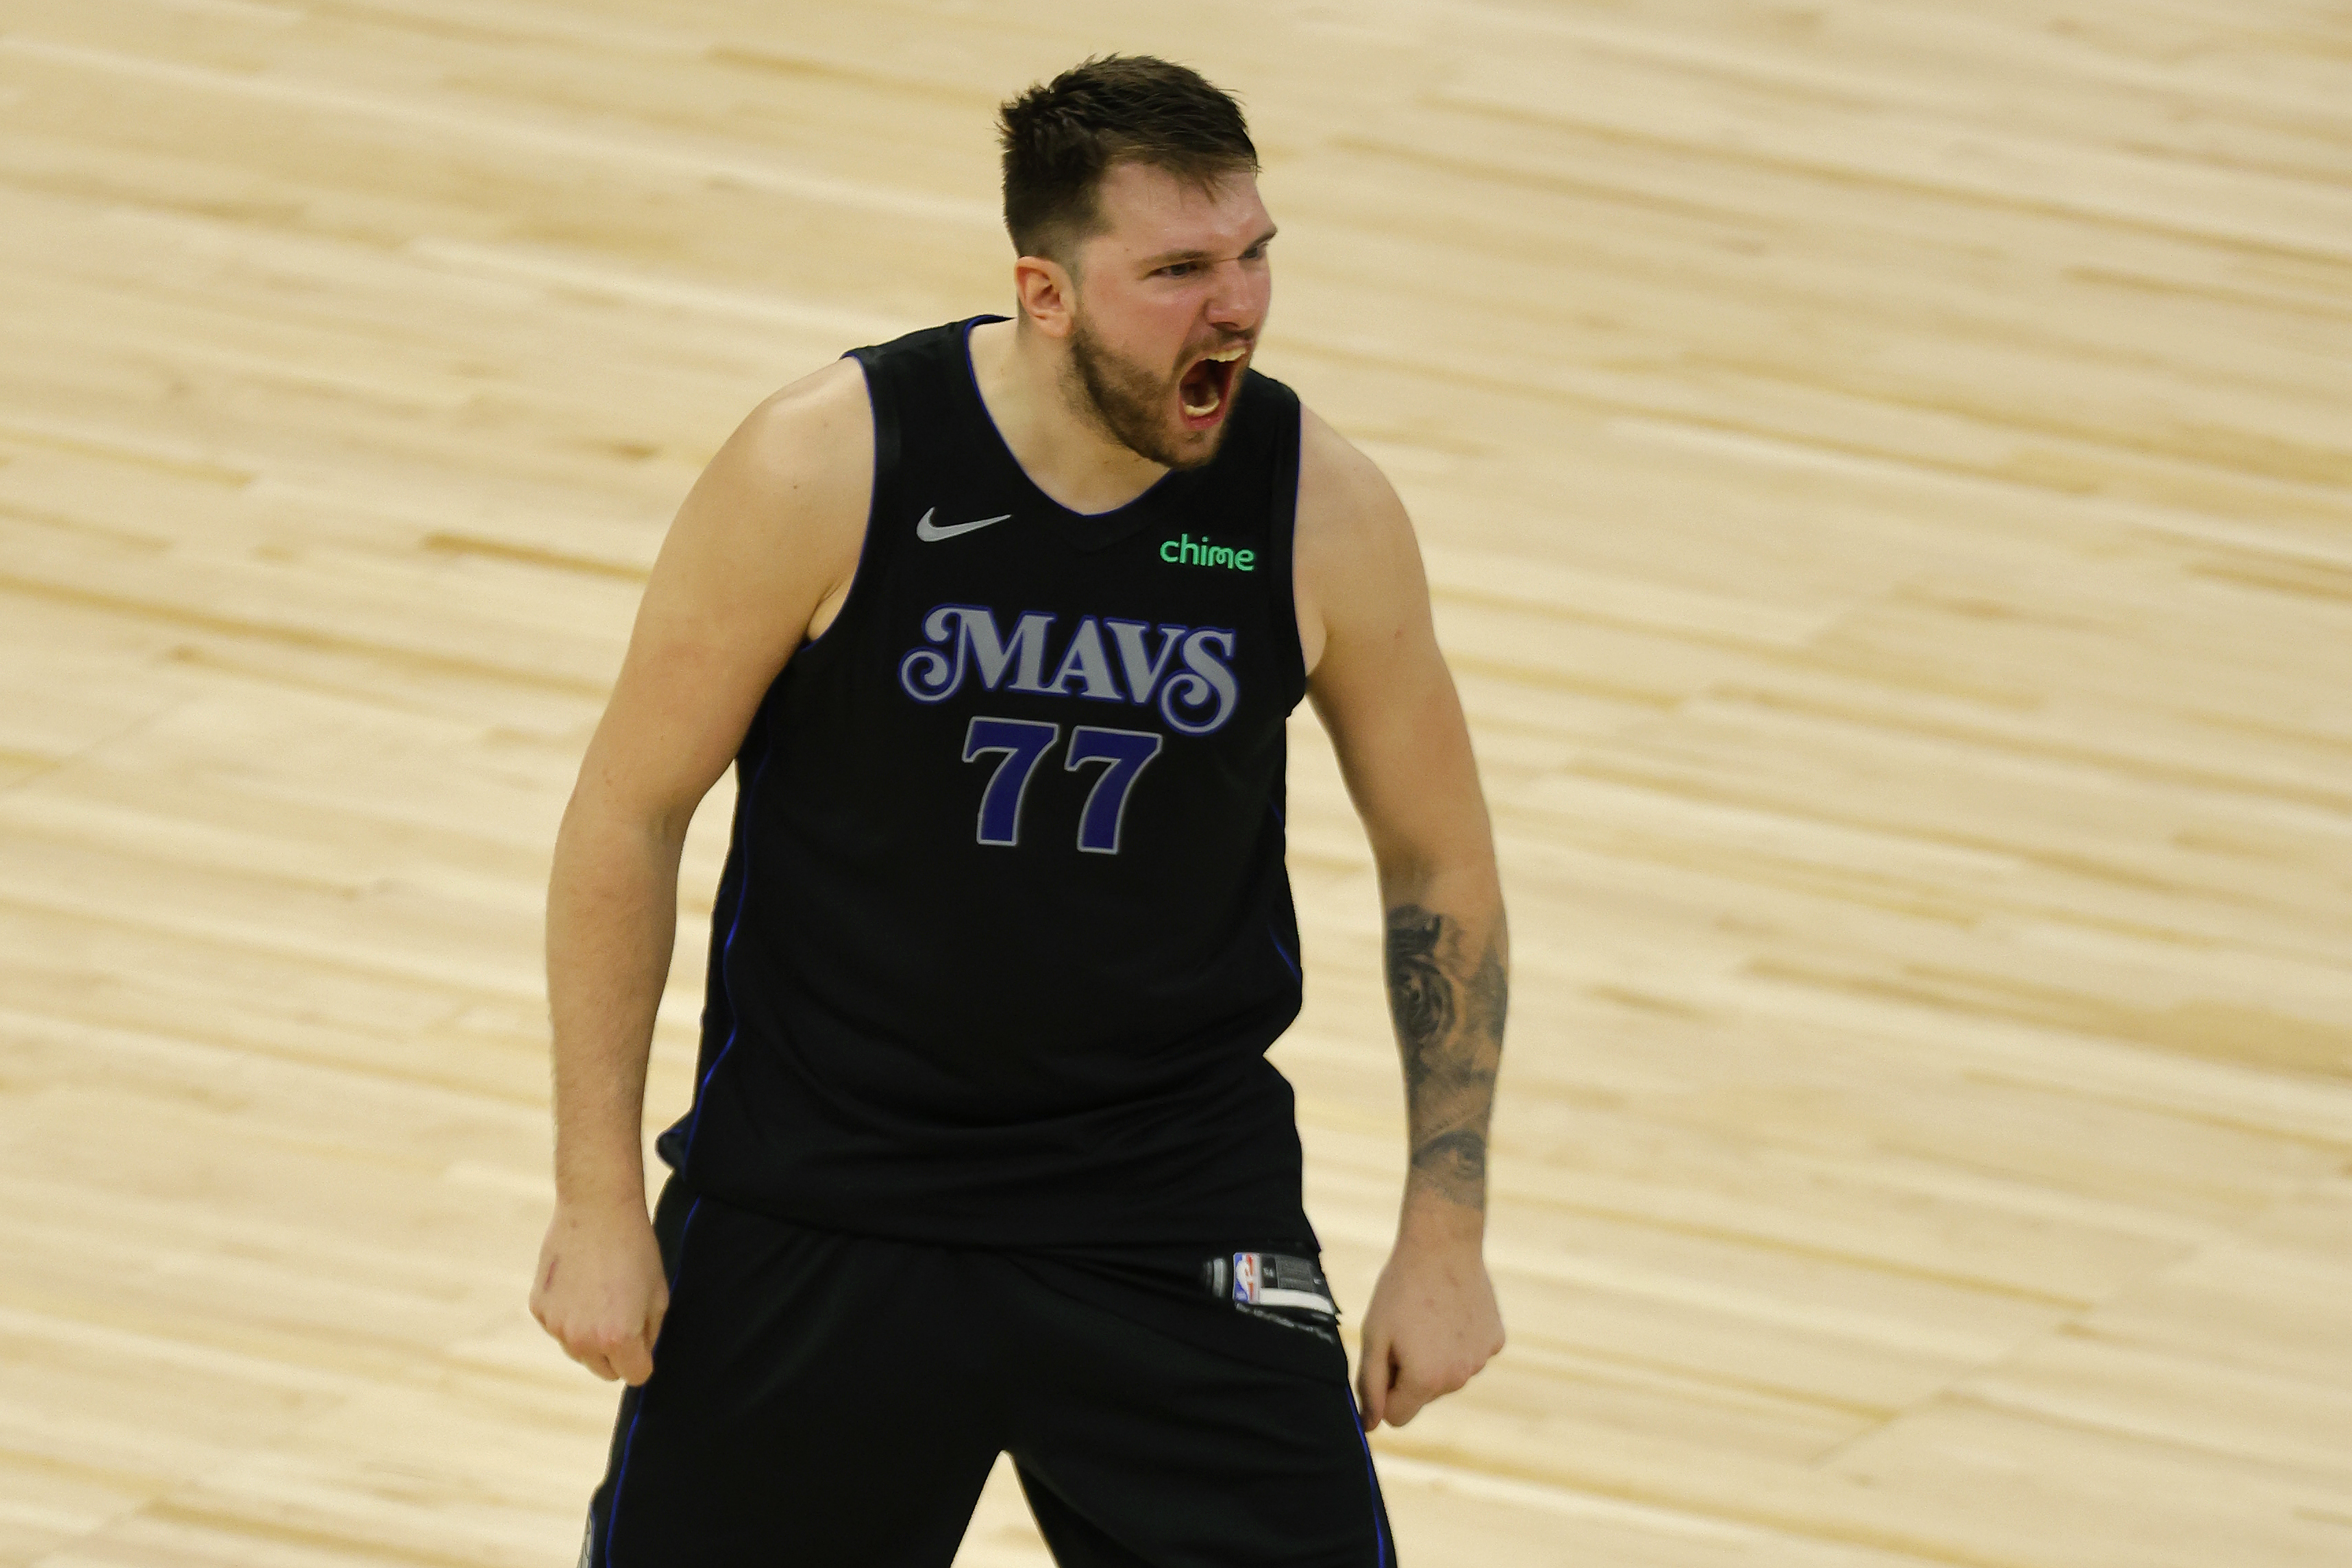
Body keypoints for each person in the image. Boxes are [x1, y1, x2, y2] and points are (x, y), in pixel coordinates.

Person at [528, 53, 1507, 1568]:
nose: (1234, 306)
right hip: (825, 1191)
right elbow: (627, 811)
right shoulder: (830, 462)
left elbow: (1438, 858)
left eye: (1253, 256)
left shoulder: (1316, 507)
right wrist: (596, 1201)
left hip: (1171, 1208)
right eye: (1177, 270)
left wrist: (1445, 1232)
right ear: (1044, 293)